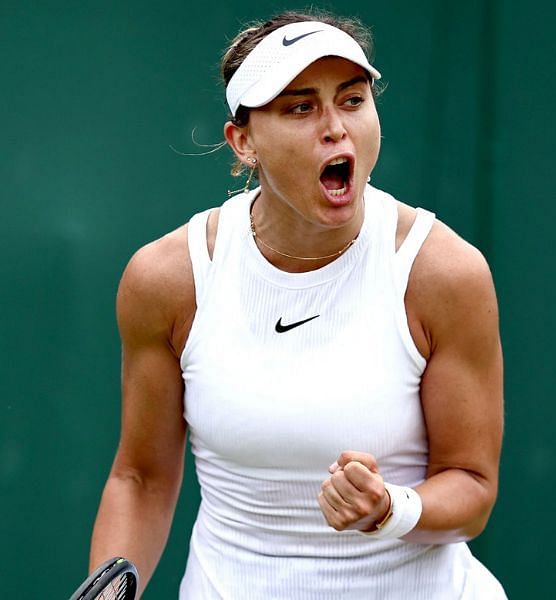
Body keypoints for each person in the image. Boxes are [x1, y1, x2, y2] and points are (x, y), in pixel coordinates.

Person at [86, 10, 506, 598]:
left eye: (352, 100)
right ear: (244, 141)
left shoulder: (443, 273)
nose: (336, 128)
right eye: (300, 107)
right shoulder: (167, 279)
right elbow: (141, 477)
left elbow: (472, 487)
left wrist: (392, 508)